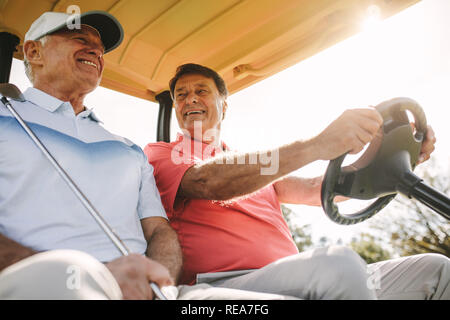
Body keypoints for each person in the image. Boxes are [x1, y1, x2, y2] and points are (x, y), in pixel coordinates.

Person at [0, 11, 296, 301]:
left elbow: (158, 230)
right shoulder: (5, 116)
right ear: (34, 51)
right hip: (44, 281)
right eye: (79, 38)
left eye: (100, 49)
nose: (95, 51)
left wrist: (160, 283)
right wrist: (90, 276)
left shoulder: (127, 149)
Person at [144, 63, 450, 299]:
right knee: (338, 265)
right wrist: (317, 145)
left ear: (224, 105)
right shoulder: (162, 154)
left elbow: (317, 188)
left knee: (437, 272)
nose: (190, 99)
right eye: (181, 95)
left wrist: (388, 157)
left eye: (201, 91)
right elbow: (207, 181)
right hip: (221, 286)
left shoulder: (252, 164)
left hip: (294, 279)